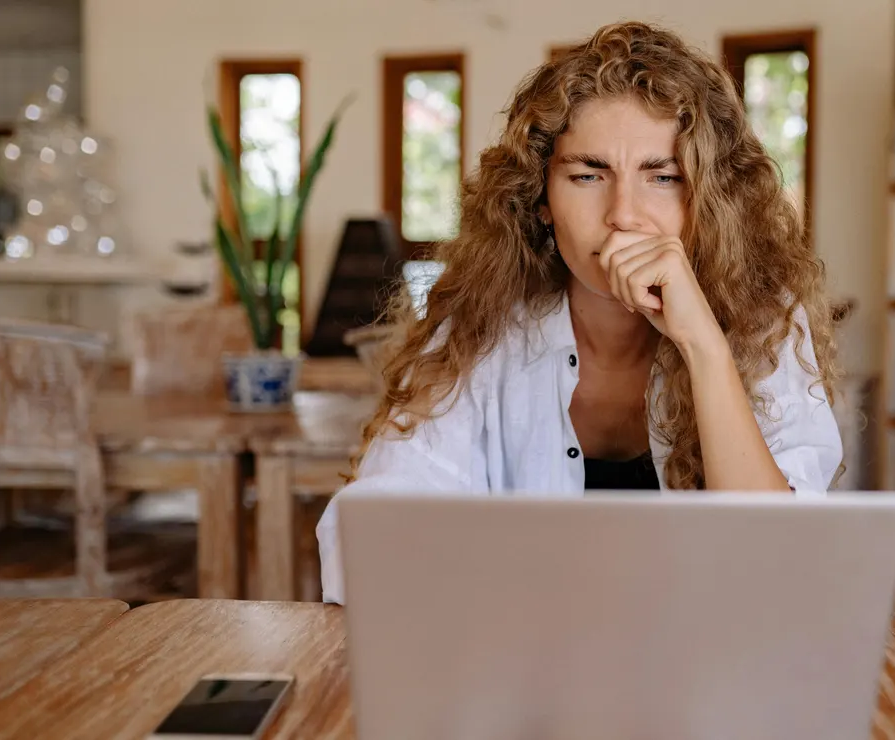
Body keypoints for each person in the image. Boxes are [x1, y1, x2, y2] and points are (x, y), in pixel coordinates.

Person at [316, 20, 843, 604]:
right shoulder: (477, 326)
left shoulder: (766, 321)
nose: (624, 214)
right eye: (588, 175)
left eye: (663, 177)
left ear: (709, 200)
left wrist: (704, 348)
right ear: (540, 199)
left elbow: (781, 573)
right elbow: (360, 546)